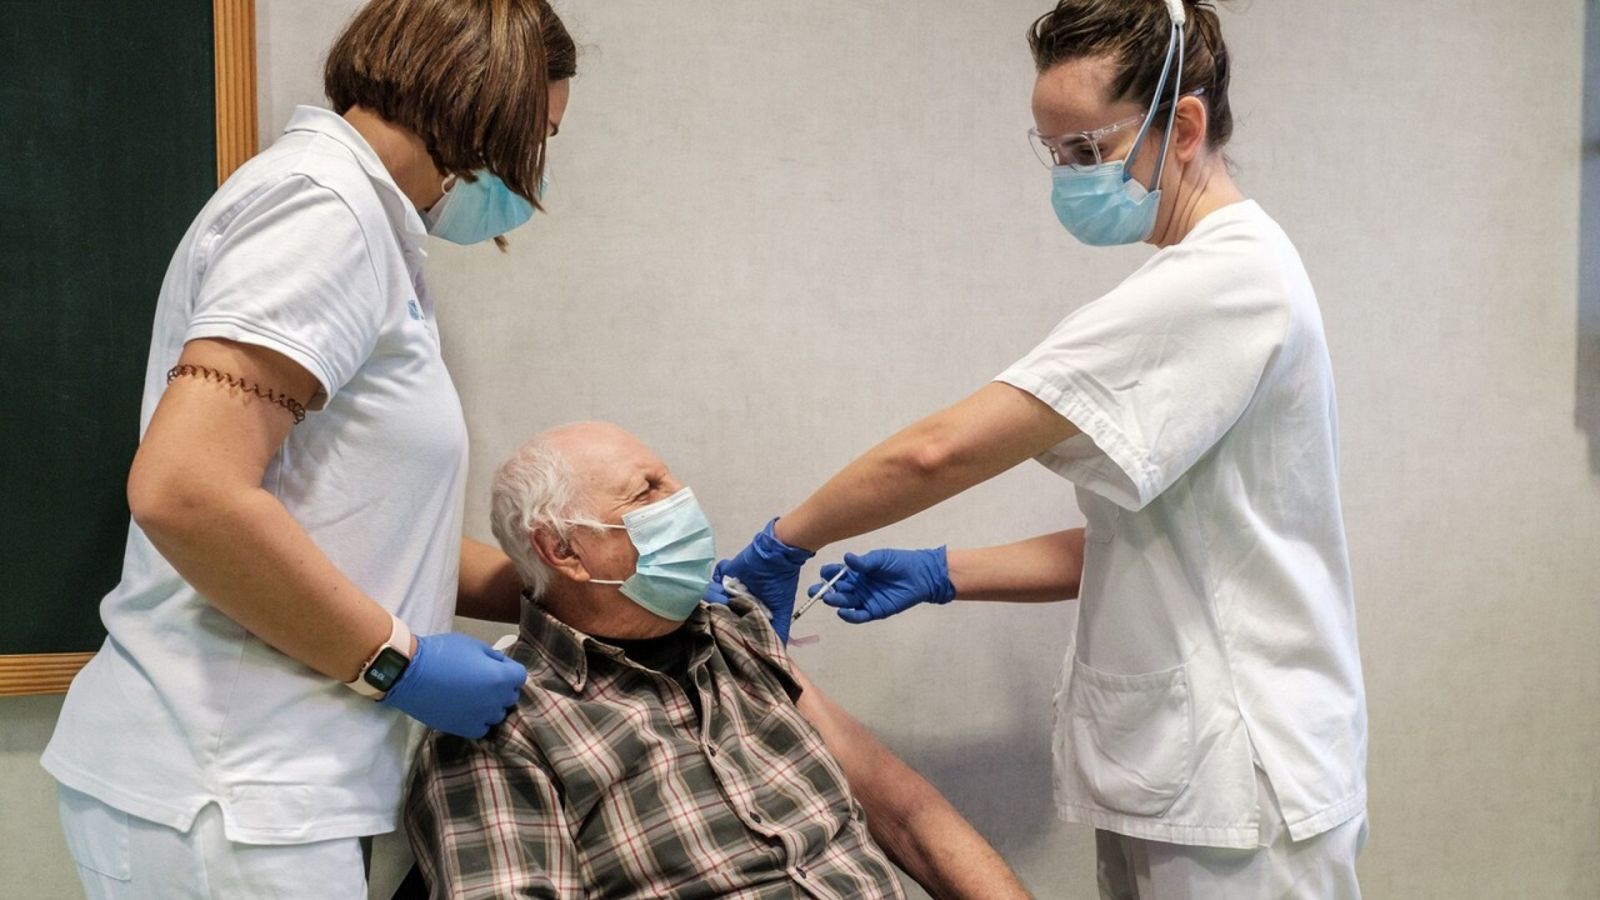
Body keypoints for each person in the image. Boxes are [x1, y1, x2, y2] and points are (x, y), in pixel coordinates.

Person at [712, 1, 1368, 897]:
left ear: (1182, 126)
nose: (1068, 177)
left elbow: (942, 450)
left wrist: (787, 540)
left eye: (1088, 151)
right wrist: (945, 570)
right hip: (1193, 779)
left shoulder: (1222, 281)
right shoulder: (1220, 275)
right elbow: (1165, 539)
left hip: (1241, 790)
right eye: (1054, 154)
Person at [41, 2, 577, 896]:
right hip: (230, 782)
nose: (538, 172)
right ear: (488, 100)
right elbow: (185, 491)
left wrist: (572, 591)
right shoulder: (323, 213)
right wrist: (395, 661)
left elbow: (345, 521)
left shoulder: (361, 221)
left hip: (263, 781)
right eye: (543, 134)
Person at [403, 422, 1032, 900]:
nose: (682, 499)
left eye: (668, 478)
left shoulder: (736, 635)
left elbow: (909, 815)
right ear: (562, 550)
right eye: (647, 492)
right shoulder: (499, 726)